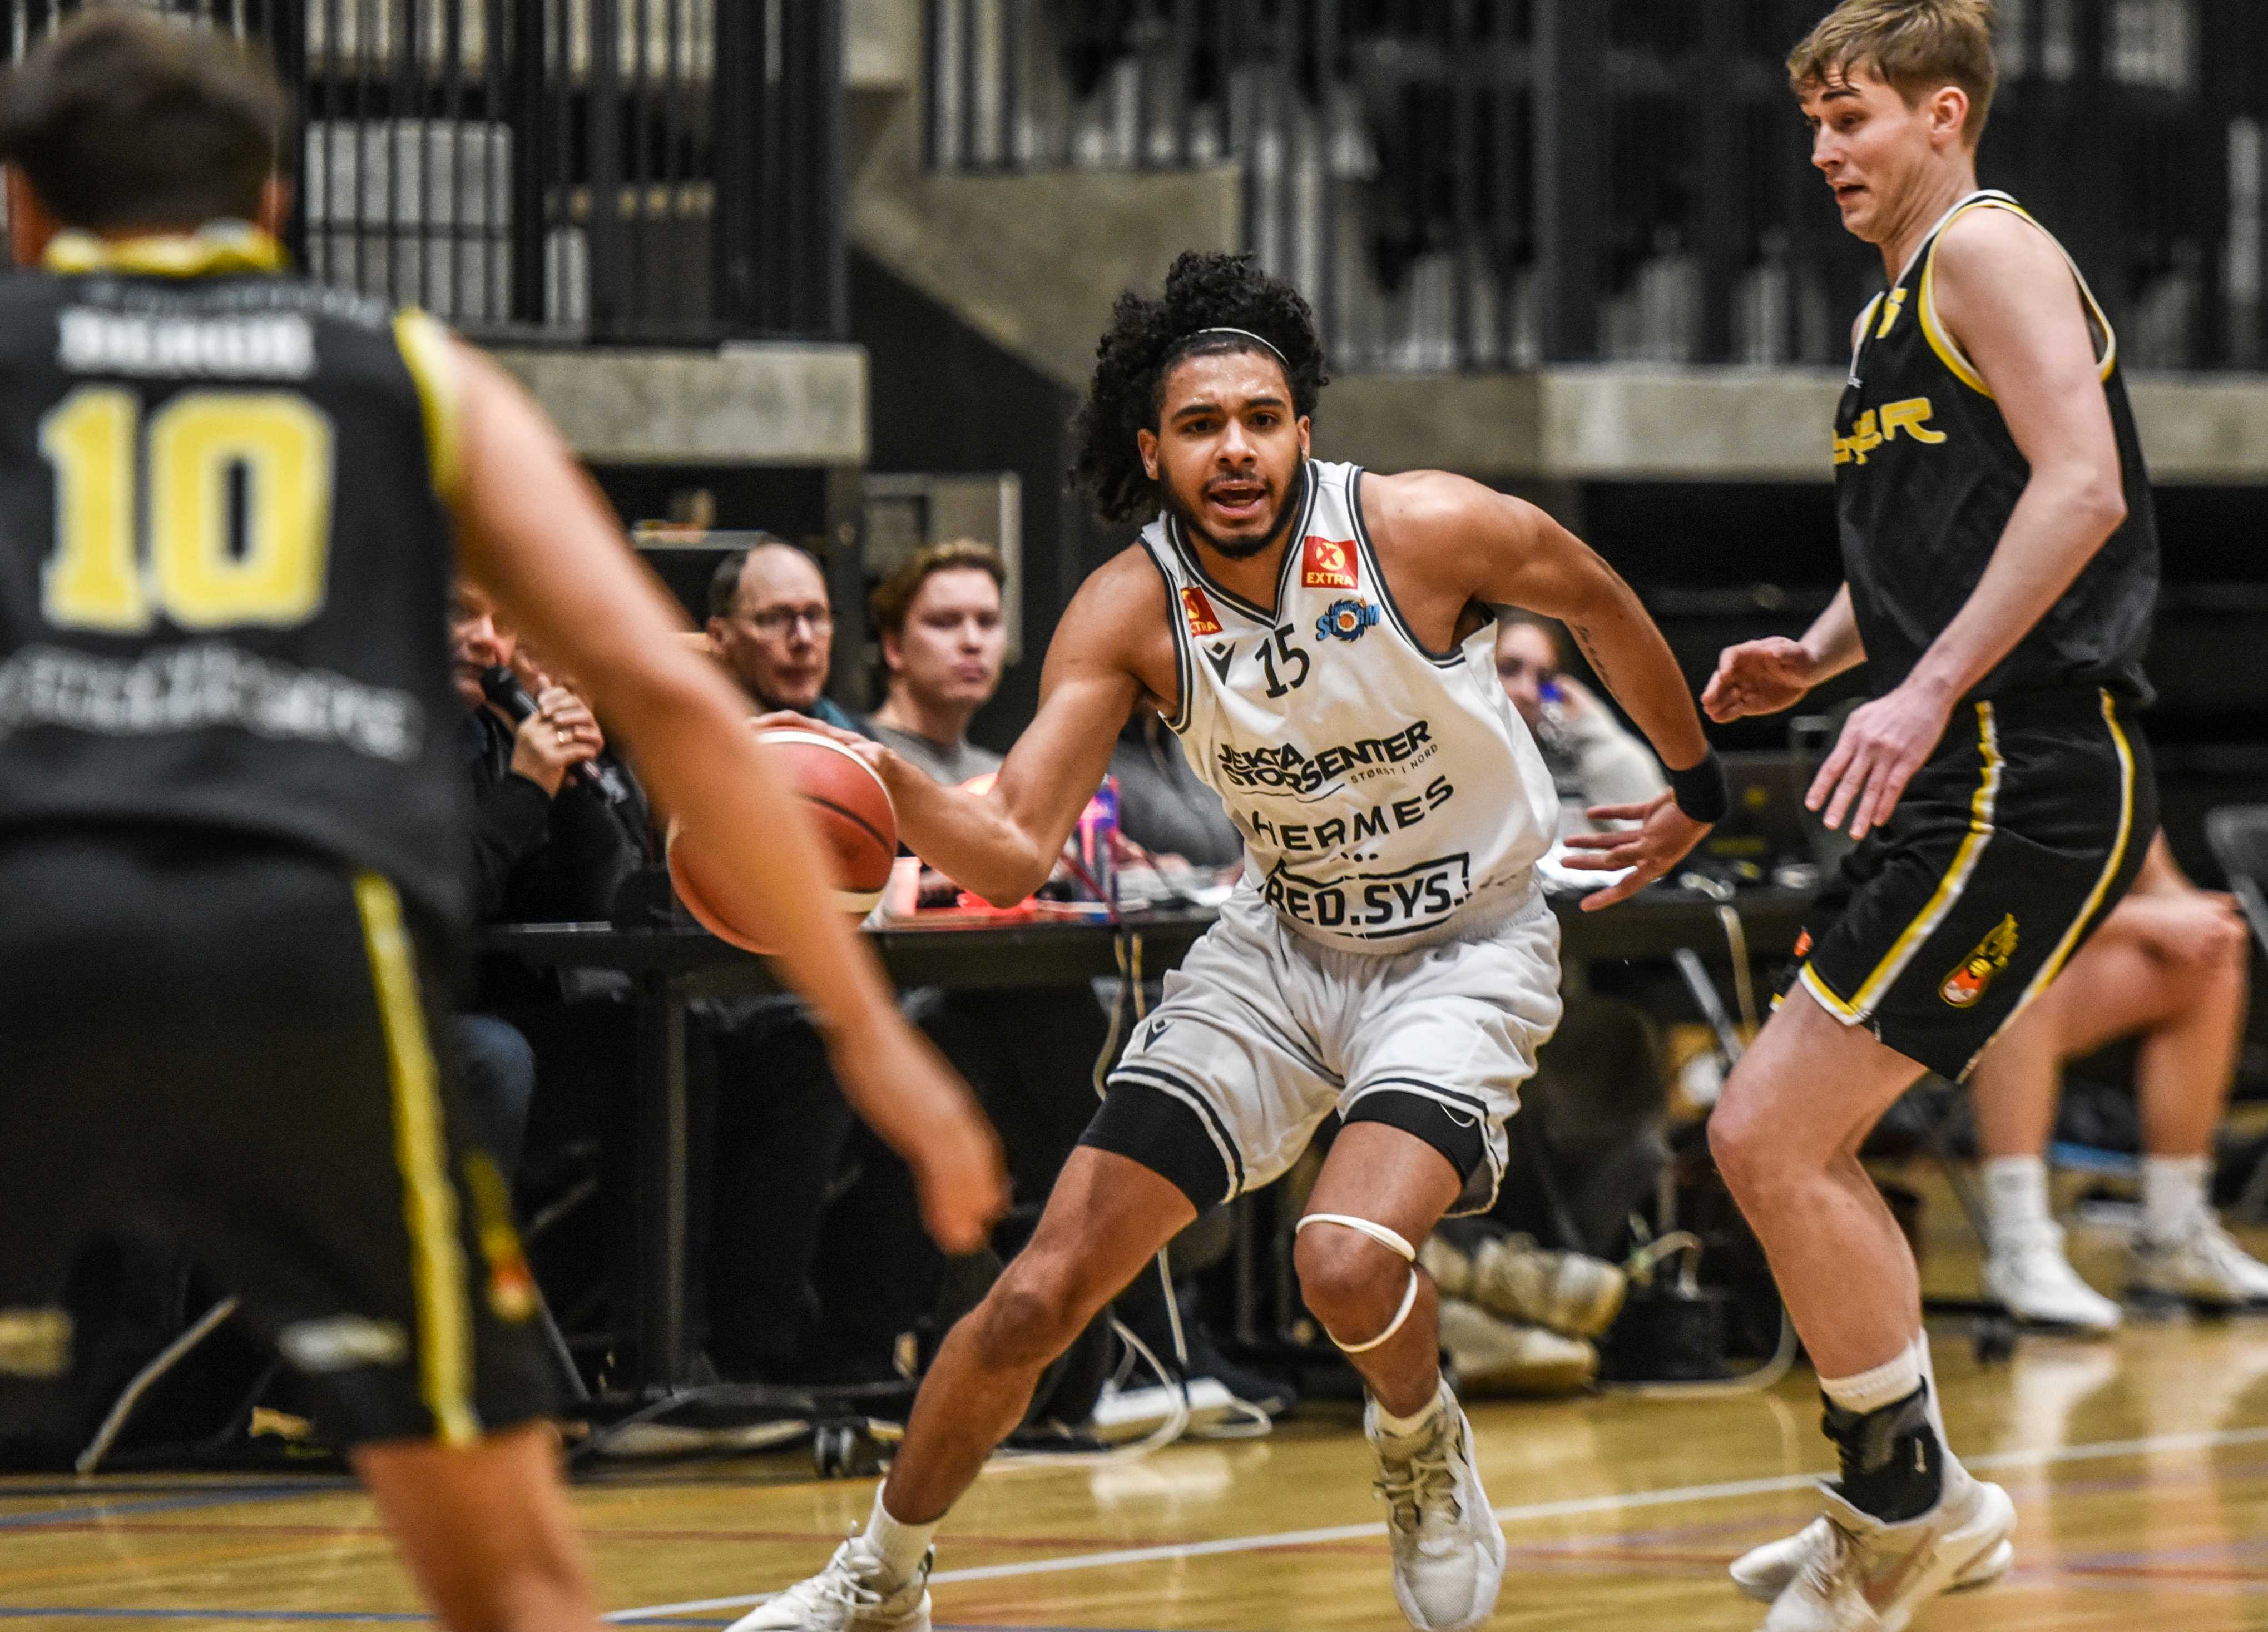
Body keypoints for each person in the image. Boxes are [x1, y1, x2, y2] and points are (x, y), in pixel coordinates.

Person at [0, 16, 1003, 1632]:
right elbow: (676, 703)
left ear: (25, 212)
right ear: (272, 199)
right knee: (517, 1575)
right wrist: (865, 1023)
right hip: (308, 959)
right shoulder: (402, 368)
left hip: (32, 936)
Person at [733, 250, 1722, 1632]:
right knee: (1033, 1295)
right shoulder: (1128, 611)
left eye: (1259, 417)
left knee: (1340, 1260)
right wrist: (878, 782)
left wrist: (1696, 788)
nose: (1235, 449)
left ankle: (1419, 1441)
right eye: (1200, 426)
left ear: (1301, 428)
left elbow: (1598, 597)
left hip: (1463, 946)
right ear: (1153, 450)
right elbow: (1013, 842)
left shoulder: (1421, 528)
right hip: (1278, 950)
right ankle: (876, 1580)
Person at [1701, 3, 2161, 1624]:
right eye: (1815, 122)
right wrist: (1825, 653)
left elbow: (2082, 485)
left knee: (1766, 1132)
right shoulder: (1900, 302)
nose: (1825, 149)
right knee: (1784, 1138)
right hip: (1969, 760)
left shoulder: (1986, 253)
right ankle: (1903, 1501)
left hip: (2029, 761)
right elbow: (1952, 526)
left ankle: (1909, 1514)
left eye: (1852, 118)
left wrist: (1920, 684)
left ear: (1944, 114)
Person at [1970, 834, 2268, 1328]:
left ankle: (2172, 1234)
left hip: (2066, 941)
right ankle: (2018, 1242)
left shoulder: (2117, 757)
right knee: (2022, 974)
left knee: (2209, 960)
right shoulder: (1981, 757)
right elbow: (1984, 899)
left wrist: (2201, 915)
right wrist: (2145, 920)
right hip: (1938, 965)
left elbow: (2157, 877)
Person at [1494, 612, 1667, 827]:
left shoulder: (1558, 770)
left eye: (1543, 680)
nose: (1528, 692)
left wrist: (1591, 728)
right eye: (1509, 669)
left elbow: (1652, 827)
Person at [864, 540, 1009, 784]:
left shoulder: (1002, 779)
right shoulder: (858, 760)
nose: (973, 642)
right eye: (945, 622)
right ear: (895, 647)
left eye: (987, 621)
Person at [706, 537, 868, 731]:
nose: (804, 639)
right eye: (775, 619)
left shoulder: (865, 747)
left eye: (815, 616)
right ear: (720, 637)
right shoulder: (680, 747)